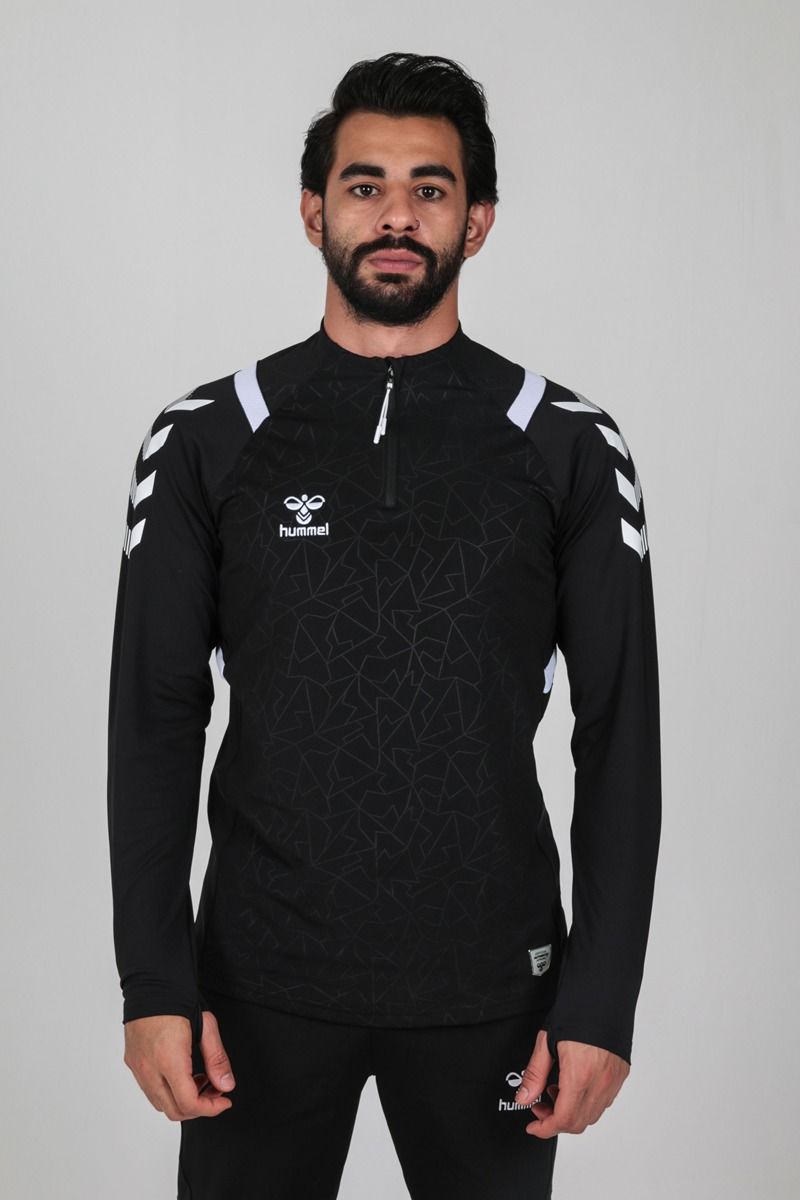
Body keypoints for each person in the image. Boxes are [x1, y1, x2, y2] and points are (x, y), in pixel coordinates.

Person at [107, 50, 661, 1200]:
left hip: (493, 988)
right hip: (256, 989)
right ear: (314, 212)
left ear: (477, 221)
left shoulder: (566, 445)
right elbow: (155, 718)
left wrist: (600, 1001)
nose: (396, 216)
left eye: (429, 188)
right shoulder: (207, 438)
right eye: (364, 186)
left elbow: (619, 732)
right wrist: (154, 983)